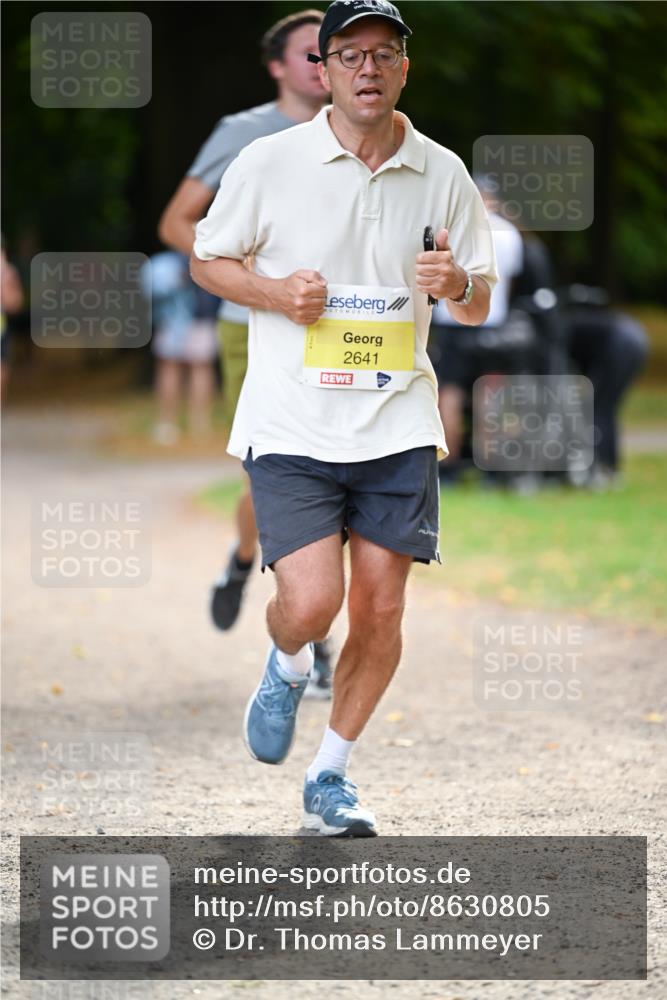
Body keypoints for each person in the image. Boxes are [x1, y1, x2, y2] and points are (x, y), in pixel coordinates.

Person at [191, 0, 497, 836]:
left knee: (382, 607)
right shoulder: (268, 160)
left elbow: (477, 300)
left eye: (384, 54)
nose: (368, 68)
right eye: (350, 54)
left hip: (397, 421)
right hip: (292, 421)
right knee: (310, 603)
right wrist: (273, 292)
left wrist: (456, 286)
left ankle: (329, 776)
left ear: (404, 69)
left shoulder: (442, 172)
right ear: (321, 70)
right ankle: (288, 661)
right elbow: (208, 259)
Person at [159, 9, 333, 696]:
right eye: (308, 53)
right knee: (276, 473)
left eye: (330, 52)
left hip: (338, 325)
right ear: (276, 66)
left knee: (337, 468)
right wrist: (247, 274)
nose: (322, 64)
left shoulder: (366, 132)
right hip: (252, 324)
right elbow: (177, 222)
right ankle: (302, 625)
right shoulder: (244, 132)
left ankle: (267, 581)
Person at [428, 177, 523, 478]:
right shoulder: (509, 232)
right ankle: (490, 465)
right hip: (492, 323)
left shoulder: (451, 228)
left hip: (453, 322)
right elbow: (512, 279)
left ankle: (449, 465)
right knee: (490, 392)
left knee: (450, 392)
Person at [141, 251, 219, 444]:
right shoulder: (212, 252)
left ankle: (168, 423)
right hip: (202, 315)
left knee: (170, 368)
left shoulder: (168, 261)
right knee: (200, 368)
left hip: (172, 319)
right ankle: (200, 424)